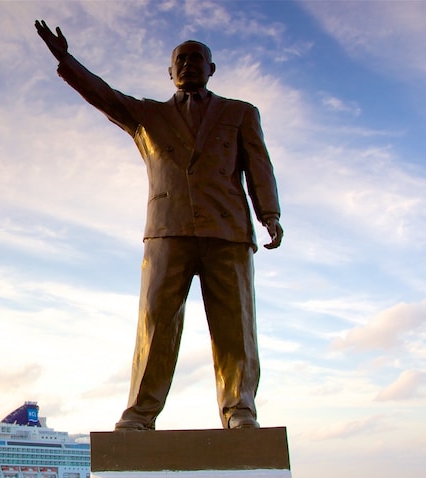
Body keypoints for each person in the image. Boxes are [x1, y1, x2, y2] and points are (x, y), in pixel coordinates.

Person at [35, 20, 283, 430]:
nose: (188, 65)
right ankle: (140, 413)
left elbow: (259, 166)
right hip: (168, 232)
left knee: (235, 328)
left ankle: (239, 410)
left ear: (212, 67)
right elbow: (104, 95)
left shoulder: (240, 113)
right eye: (180, 60)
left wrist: (269, 213)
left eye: (196, 58)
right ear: (170, 72)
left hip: (227, 230)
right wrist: (67, 60)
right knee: (155, 326)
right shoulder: (147, 115)